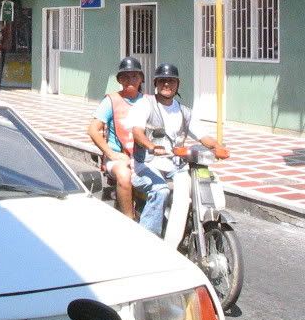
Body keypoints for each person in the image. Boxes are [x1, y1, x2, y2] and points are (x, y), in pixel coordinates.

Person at [128, 63, 228, 238]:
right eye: (163, 81)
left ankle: (172, 243)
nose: (167, 85)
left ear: (178, 84)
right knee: (161, 190)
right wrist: (150, 146)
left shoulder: (184, 111)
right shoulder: (145, 104)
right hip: (146, 164)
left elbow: (203, 136)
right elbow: (137, 132)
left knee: (185, 197)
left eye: (171, 81)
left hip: (176, 166)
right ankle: (148, 240)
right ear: (156, 84)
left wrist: (217, 147)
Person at [86, 57, 145, 220]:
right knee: (124, 176)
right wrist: (111, 154)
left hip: (143, 157)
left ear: (141, 79)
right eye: (125, 76)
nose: (130, 80)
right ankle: (129, 220)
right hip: (119, 157)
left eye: (134, 76)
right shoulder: (111, 101)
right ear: (119, 80)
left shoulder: (148, 101)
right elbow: (92, 130)